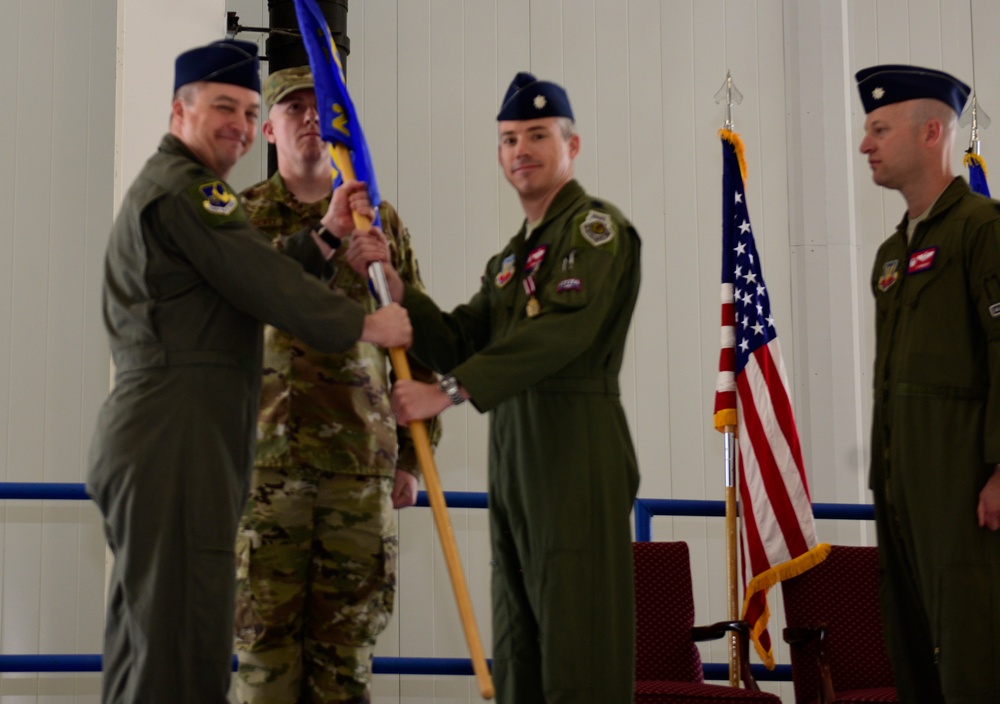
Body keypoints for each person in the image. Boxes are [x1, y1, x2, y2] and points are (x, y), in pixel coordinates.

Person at [85, 40, 412, 704]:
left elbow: (243, 278)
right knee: (178, 639)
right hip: (178, 434)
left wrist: (322, 237)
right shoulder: (188, 190)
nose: (237, 122)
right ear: (181, 111)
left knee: (157, 634)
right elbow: (262, 283)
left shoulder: (181, 188)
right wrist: (366, 325)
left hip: (180, 432)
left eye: (246, 108)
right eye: (223, 107)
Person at [347, 72, 642, 703]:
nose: (520, 151)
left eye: (537, 136)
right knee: (519, 647)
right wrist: (402, 294)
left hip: (575, 452)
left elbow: (563, 334)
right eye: (509, 140)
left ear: (573, 146)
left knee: (577, 647)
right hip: (514, 456)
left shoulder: (595, 231)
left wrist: (447, 393)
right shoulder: (513, 259)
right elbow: (460, 337)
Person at [232, 66, 441, 704]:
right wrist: (326, 240)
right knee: (265, 653)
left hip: (359, 463)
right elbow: (241, 308)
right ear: (268, 128)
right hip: (265, 468)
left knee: (346, 657)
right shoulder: (243, 217)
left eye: (319, 106)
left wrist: (414, 453)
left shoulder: (380, 219)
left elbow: (418, 336)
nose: (310, 118)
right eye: (292, 108)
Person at [858, 63, 1000, 703]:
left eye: (880, 128)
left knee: (974, 651)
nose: (866, 145)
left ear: (930, 132)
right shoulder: (893, 253)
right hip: (900, 485)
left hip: (964, 483)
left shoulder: (983, 230)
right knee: (913, 654)